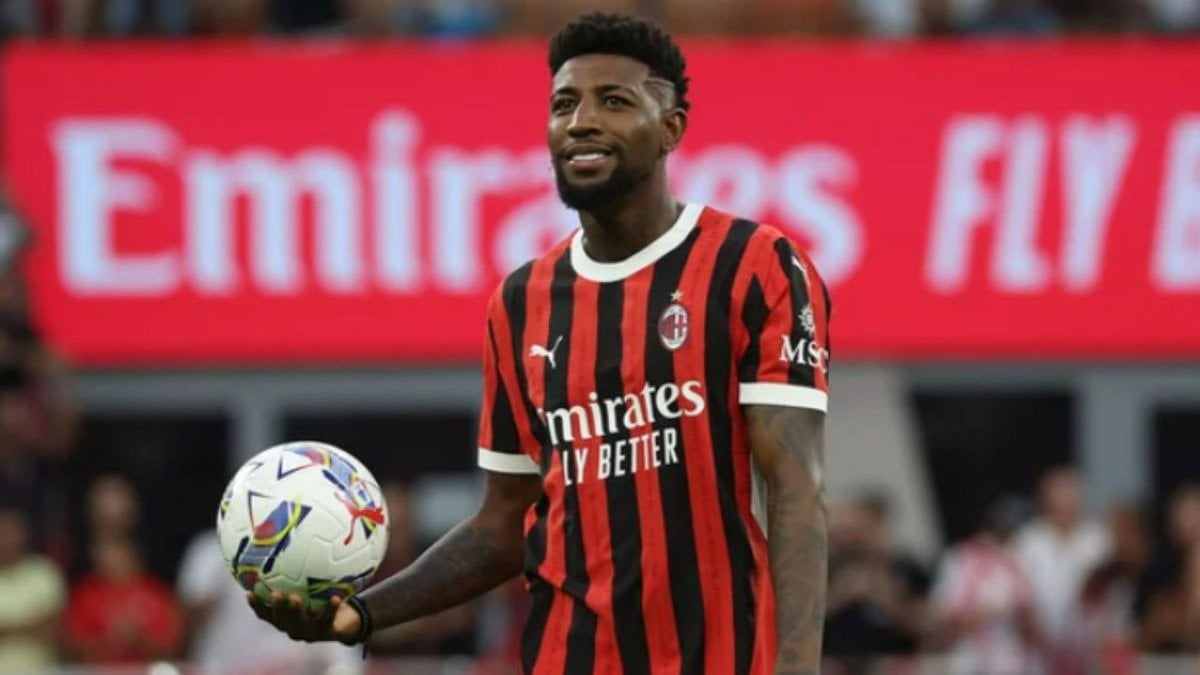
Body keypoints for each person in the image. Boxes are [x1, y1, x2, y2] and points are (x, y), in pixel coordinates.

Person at [248, 12, 832, 675]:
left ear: (671, 128)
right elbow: (503, 524)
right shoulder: (521, 302)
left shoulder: (754, 265)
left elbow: (796, 489)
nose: (581, 121)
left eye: (614, 102)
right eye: (564, 104)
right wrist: (358, 614)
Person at [928, 496, 1042, 675]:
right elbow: (940, 619)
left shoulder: (1026, 558)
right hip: (970, 661)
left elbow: (1035, 627)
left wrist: (1020, 614)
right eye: (1002, 530)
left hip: (1013, 662)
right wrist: (977, 615)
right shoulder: (960, 559)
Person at [1013, 465, 1109, 670]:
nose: (1066, 504)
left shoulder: (1099, 539)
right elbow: (1016, 596)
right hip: (1039, 653)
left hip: (1091, 652)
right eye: (1059, 499)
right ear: (1046, 501)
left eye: (1071, 497)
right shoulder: (1028, 541)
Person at [0, 502, 65, 675]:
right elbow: (40, 624)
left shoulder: (44, 572)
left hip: (40, 670)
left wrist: (5, 627)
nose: (5, 539)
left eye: (11, 532)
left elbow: (53, 626)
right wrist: (30, 623)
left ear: (24, 535)